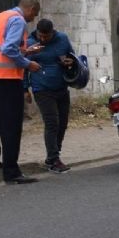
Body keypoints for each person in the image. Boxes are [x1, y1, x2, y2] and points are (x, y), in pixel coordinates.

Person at [0, 0, 43, 185]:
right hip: (8, 78)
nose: (34, 18)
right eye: (35, 13)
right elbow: (8, 49)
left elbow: (5, 47)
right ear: (30, 8)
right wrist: (28, 63)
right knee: (11, 126)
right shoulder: (18, 21)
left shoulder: (0, 16)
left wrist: (26, 51)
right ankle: (11, 172)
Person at [24, 19, 75, 174]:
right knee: (52, 122)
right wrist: (25, 89)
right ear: (37, 33)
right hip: (42, 89)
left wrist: (69, 61)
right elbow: (23, 66)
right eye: (41, 36)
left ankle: (53, 156)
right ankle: (53, 159)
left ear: (53, 32)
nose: (43, 39)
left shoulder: (63, 39)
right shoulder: (30, 43)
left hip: (61, 87)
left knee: (63, 123)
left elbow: (72, 56)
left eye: (46, 36)